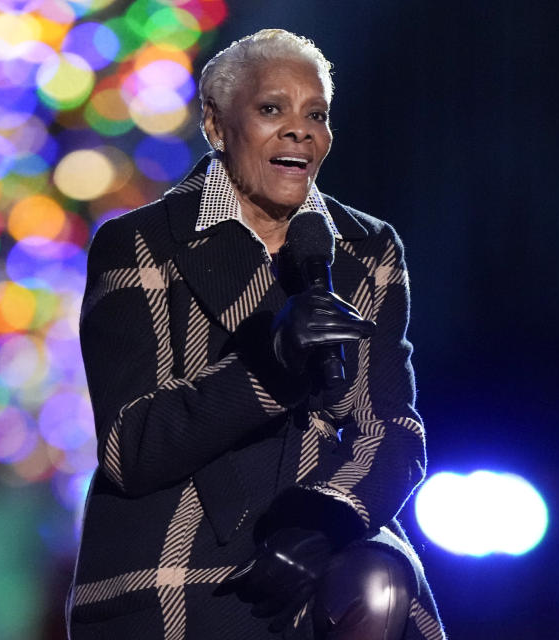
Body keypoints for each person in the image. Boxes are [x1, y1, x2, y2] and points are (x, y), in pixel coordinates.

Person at [67, 29, 446, 640]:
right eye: (272, 109)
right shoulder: (140, 243)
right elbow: (128, 448)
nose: (299, 130)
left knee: (382, 581)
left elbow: (394, 429)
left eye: (315, 114)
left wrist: (325, 523)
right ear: (216, 126)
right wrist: (269, 365)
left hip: (328, 546)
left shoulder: (366, 249)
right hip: (183, 556)